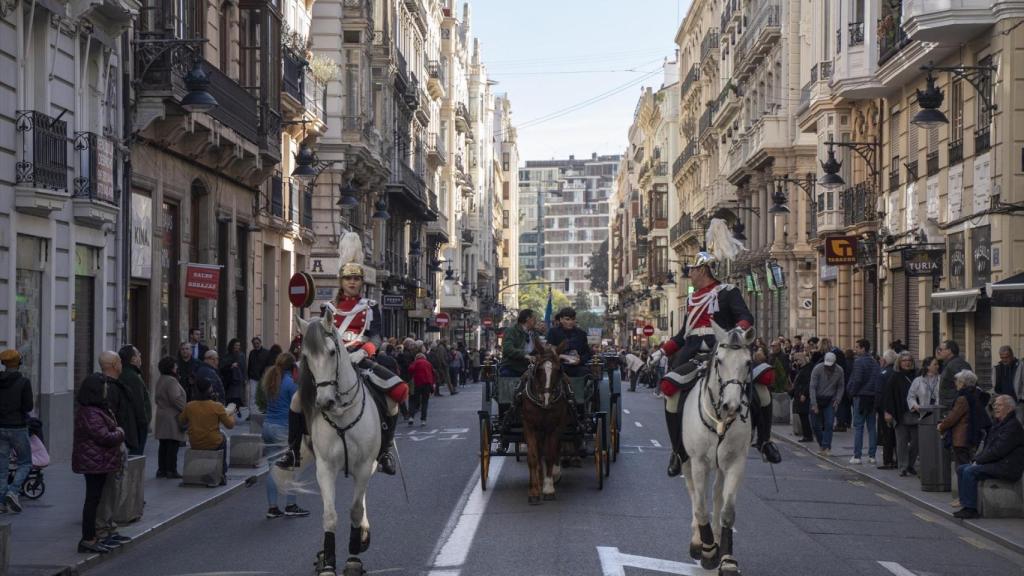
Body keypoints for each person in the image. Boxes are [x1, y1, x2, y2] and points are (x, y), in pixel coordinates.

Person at [276, 233, 408, 475]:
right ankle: (293, 450)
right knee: (296, 400)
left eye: (357, 278)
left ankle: (385, 450)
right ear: (341, 280)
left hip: (361, 360)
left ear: (362, 282)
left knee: (395, 394)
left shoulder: (371, 307)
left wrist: (364, 352)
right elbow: (318, 337)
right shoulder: (328, 308)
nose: (352, 283)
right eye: (348, 278)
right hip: (331, 362)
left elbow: (376, 337)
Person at [648, 245, 765, 476]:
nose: (689, 273)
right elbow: (682, 335)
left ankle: (765, 440)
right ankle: (678, 450)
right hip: (693, 354)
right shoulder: (692, 299)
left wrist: (736, 333)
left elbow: (745, 317)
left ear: (703, 270)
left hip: (723, 352)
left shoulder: (728, 292)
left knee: (763, 380)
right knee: (669, 388)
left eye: (692, 269)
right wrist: (661, 352)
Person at [72, 365, 126, 554]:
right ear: (95, 390)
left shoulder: (96, 409)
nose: (106, 390)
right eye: (104, 387)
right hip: (94, 462)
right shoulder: (91, 412)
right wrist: (120, 433)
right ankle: (88, 539)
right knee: (93, 500)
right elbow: (104, 436)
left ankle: (93, 537)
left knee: (96, 499)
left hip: (98, 461)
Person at [953, 395, 1024, 519]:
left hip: (1007, 467)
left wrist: (978, 461)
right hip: (997, 463)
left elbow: (998, 451)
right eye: (995, 405)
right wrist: (976, 460)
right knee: (961, 468)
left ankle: (971, 509)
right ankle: (964, 503)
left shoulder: (1013, 426)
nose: (995, 407)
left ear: (1009, 408)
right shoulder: (998, 424)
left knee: (970, 471)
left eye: (999, 405)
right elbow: (988, 448)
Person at [258, 352, 309, 518]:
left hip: (268, 426)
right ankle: (290, 505)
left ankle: (272, 508)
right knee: (292, 467)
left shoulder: (271, 380)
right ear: (293, 367)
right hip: (284, 428)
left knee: (273, 468)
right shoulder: (291, 384)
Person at [179, 378, 236, 485]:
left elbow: (181, 421)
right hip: (213, 443)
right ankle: (222, 473)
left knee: (220, 437)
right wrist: (231, 414)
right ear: (210, 390)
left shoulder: (190, 406)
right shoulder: (217, 406)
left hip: (195, 442)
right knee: (223, 438)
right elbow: (230, 425)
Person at [0, 349, 33, 514]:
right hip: (18, 427)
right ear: (19, 363)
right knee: (25, 462)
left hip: (0, 427)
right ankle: (12, 491)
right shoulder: (24, 382)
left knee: (2, 467)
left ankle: (1, 503)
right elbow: (28, 407)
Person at [938, 370, 991, 468]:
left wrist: (941, 426)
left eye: (957, 381)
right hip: (973, 436)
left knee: (962, 468)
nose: (956, 384)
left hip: (962, 438)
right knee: (969, 465)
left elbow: (953, 417)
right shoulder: (977, 394)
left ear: (963, 383)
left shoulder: (963, 398)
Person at [884, 352, 919, 476]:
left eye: (909, 360)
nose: (907, 362)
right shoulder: (894, 376)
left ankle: (910, 464)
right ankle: (903, 466)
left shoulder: (917, 376)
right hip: (900, 413)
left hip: (916, 413)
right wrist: (887, 412)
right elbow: (888, 395)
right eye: (904, 360)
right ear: (899, 362)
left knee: (916, 442)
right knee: (901, 442)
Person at [153, 356, 187, 479]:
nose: (177, 367)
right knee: (173, 444)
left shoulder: (161, 379)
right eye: (175, 365)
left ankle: (162, 469)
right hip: (172, 416)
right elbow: (175, 398)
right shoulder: (171, 381)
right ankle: (171, 470)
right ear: (171, 368)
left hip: (162, 414)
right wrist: (186, 409)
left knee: (164, 444)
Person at [848, 339, 880, 465]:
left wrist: (852, 392)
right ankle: (872, 456)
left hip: (860, 397)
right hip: (872, 397)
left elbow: (857, 380)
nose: (855, 349)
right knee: (872, 427)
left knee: (859, 427)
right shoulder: (874, 362)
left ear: (863, 348)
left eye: (857, 347)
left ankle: (857, 456)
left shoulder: (858, 362)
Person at [117, 346, 151, 456]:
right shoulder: (131, 376)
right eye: (138, 355)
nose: (140, 357)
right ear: (133, 359)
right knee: (136, 456)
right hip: (135, 425)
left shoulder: (129, 374)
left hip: (132, 423)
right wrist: (144, 422)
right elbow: (138, 402)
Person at [809, 352, 845, 456]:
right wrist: (814, 403)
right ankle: (822, 444)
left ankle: (826, 446)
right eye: (827, 365)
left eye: (831, 365)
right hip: (817, 398)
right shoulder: (817, 369)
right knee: (815, 425)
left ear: (835, 363)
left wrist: (837, 399)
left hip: (830, 400)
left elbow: (841, 386)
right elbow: (812, 387)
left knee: (829, 424)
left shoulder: (839, 371)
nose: (828, 367)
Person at [874, 349, 899, 469]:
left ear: (884, 360)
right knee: (897, 435)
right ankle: (898, 459)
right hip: (897, 409)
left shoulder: (883, 374)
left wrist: (878, 409)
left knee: (887, 435)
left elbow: (879, 393)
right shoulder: (897, 373)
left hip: (885, 410)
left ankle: (888, 460)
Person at [938, 340, 972, 414]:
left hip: (953, 408)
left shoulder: (955, 364)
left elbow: (965, 386)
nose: (939, 352)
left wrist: (956, 404)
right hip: (951, 406)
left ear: (949, 351)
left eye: (940, 349)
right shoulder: (950, 364)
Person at [789, 352, 814, 442]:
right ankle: (806, 435)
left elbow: (808, 383)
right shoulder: (801, 369)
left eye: (797, 360)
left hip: (802, 396)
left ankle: (808, 436)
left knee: (804, 416)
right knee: (802, 416)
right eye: (795, 360)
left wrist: (804, 394)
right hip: (799, 395)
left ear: (802, 359)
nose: (796, 362)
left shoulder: (807, 369)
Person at [220, 338, 246, 415]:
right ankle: (230, 414)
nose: (237, 347)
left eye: (239, 345)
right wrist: (231, 366)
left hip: (238, 380)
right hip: (230, 381)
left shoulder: (241, 355)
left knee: (238, 398)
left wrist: (244, 378)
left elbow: (244, 367)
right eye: (236, 345)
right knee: (230, 398)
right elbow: (222, 367)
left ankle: (237, 414)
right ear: (232, 346)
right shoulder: (227, 355)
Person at [408, 353, 436, 426]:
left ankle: (411, 417)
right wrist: (433, 384)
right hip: (427, 384)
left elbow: (410, 369)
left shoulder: (415, 362)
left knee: (413, 400)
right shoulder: (428, 363)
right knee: (425, 402)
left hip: (417, 383)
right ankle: (423, 420)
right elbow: (433, 373)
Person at [247, 337, 269, 411]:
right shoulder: (252, 353)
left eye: (257, 343)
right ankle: (252, 411)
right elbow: (249, 365)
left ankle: (262, 409)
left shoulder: (266, 352)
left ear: (260, 343)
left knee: (263, 394)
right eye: (254, 344)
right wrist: (249, 375)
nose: (256, 345)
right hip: (253, 377)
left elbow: (268, 364)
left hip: (263, 377)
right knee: (252, 394)